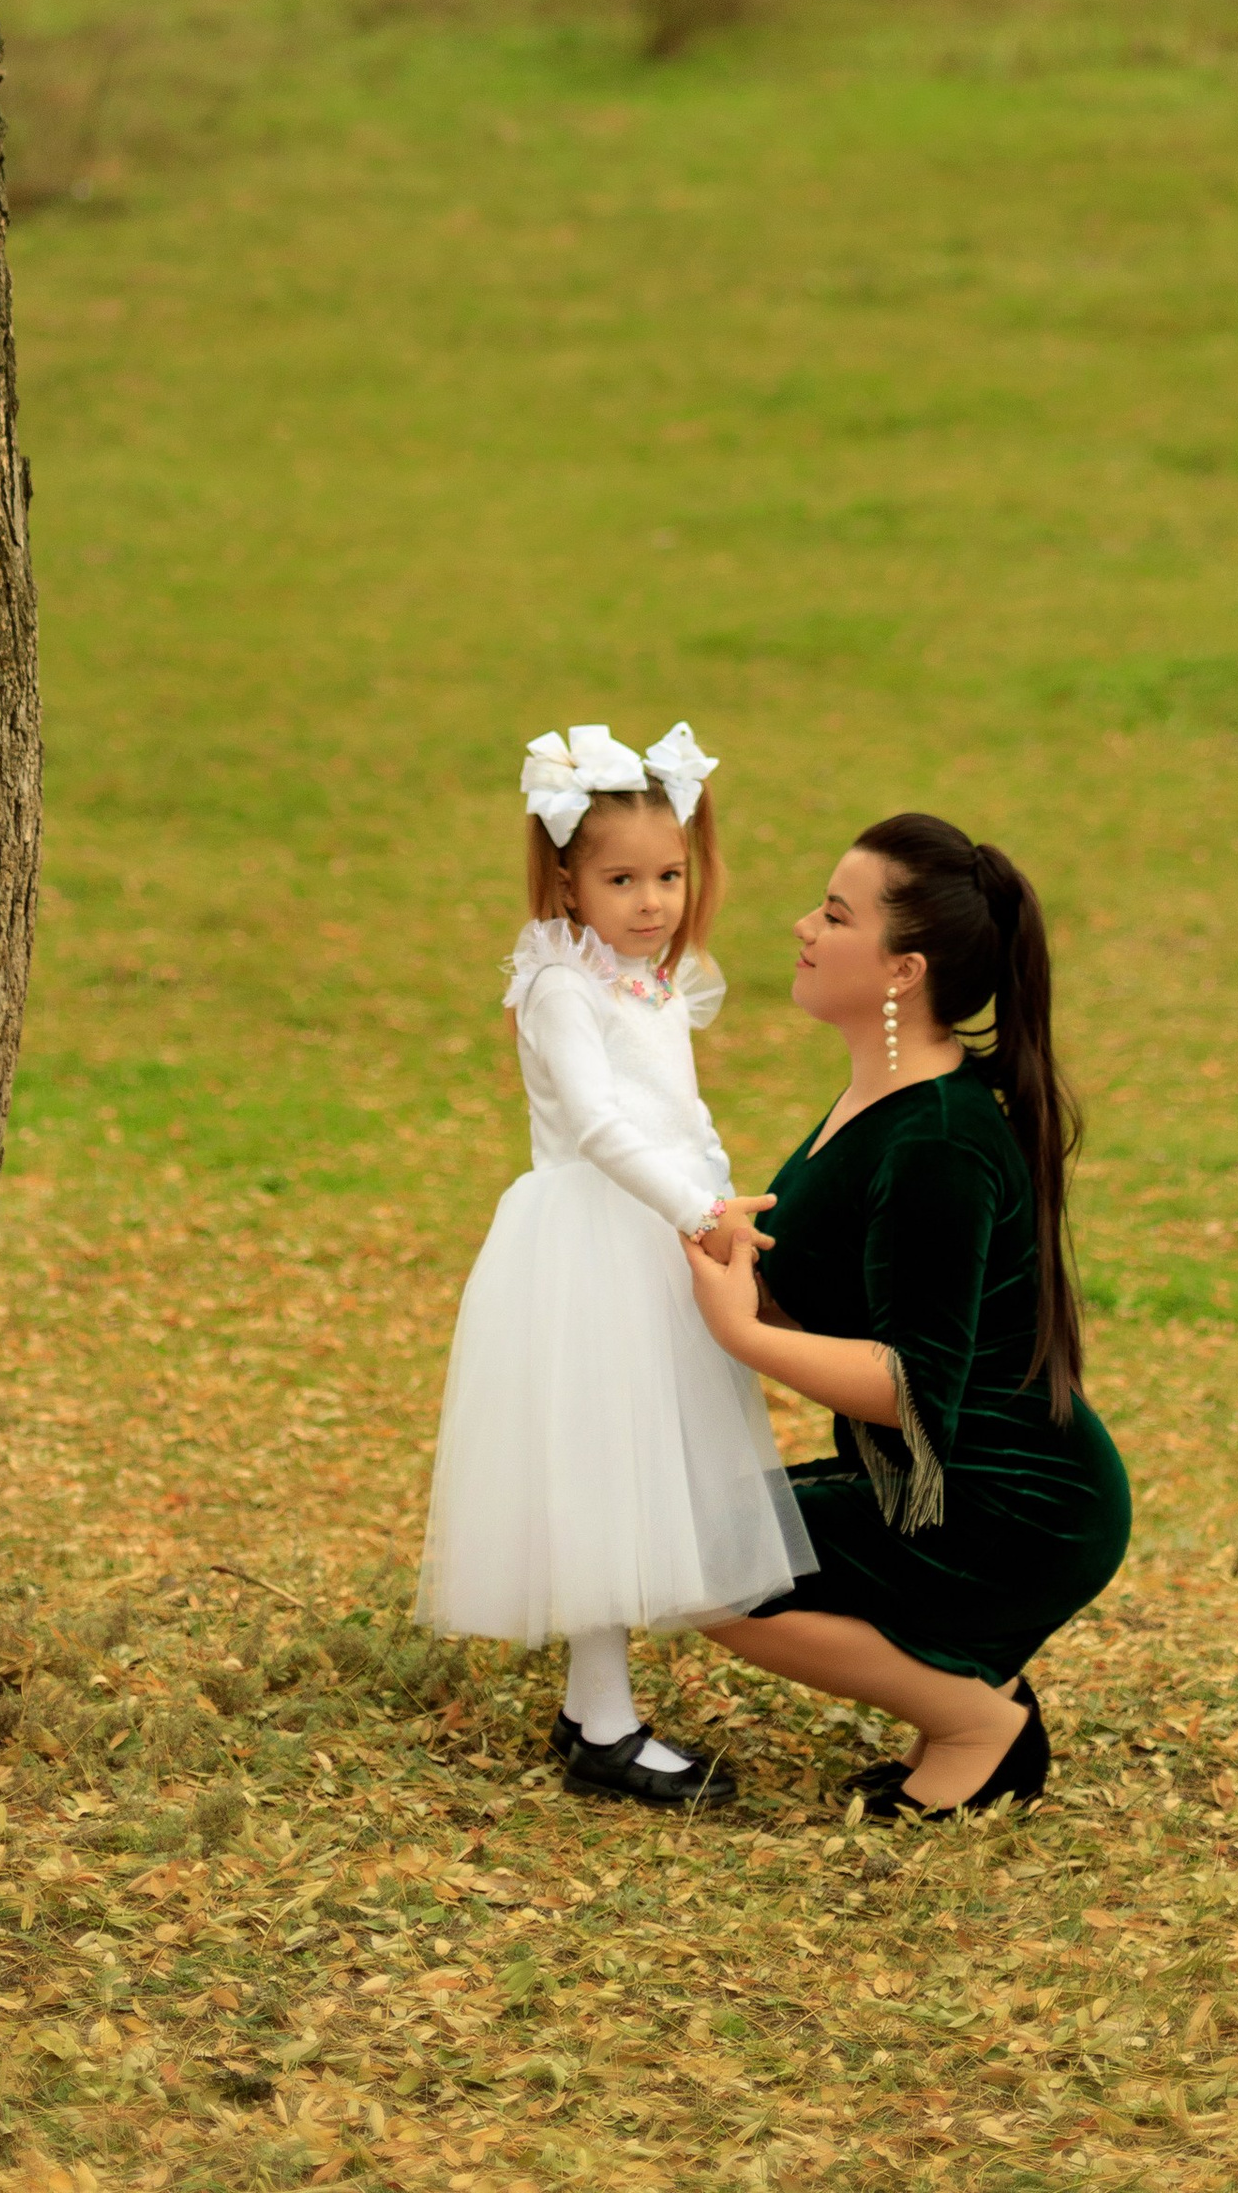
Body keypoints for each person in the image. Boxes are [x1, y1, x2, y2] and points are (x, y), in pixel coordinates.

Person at [681, 814, 1132, 1820]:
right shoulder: (885, 1098)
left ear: (902, 972)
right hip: (941, 1482)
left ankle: (981, 1723)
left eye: (835, 915)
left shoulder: (938, 1142)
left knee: (697, 1565)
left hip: (1010, 1505)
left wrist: (742, 1333)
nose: (802, 925)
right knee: (692, 1538)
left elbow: (908, 1387)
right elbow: (845, 1288)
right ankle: (974, 1707)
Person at [416, 722, 810, 1808]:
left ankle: (601, 1703)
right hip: (592, 1241)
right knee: (598, 1468)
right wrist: (691, 1205)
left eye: (670, 875)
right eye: (622, 878)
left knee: (643, 1463)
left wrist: (717, 1198)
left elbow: (677, 1110)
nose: (651, 901)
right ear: (565, 878)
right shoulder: (559, 986)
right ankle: (602, 1721)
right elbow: (594, 1120)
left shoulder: (651, 980)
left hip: (656, 1236)